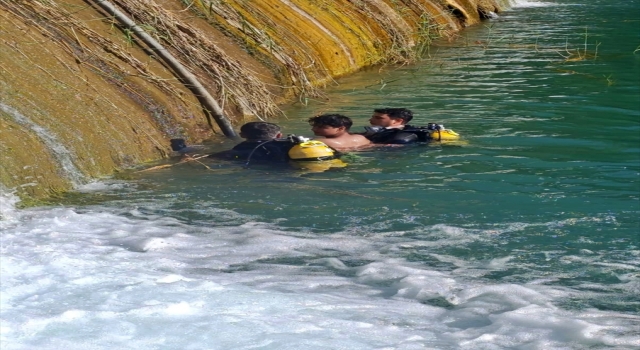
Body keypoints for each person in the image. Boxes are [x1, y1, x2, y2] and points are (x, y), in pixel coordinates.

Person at [308, 114, 372, 151]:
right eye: (314, 126)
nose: (313, 129)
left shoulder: (322, 142)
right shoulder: (360, 138)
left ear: (341, 128)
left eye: (321, 127)